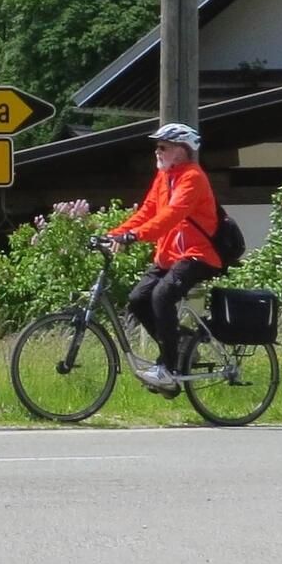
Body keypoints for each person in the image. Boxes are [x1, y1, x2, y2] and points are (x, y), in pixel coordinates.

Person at [107, 122, 221, 392]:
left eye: (163, 147)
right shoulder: (164, 177)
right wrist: (115, 234)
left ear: (181, 150)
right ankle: (180, 345)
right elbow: (147, 211)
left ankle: (168, 368)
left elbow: (171, 216)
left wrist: (136, 237)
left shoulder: (192, 177)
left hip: (198, 255)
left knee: (161, 295)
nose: (157, 152)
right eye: (157, 147)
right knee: (137, 300)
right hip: (169, 256)